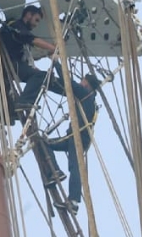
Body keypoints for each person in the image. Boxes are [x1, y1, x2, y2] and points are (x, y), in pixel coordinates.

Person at [45, 71, 101, 215]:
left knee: (43, 143)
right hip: (78, 137)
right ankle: (72, 198)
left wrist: (57, 63)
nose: (81, 82)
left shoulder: (84, 93)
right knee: (73, 165)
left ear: (86, 83)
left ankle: (57, 176)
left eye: (82, 80)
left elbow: (67, 82)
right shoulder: (91, 99)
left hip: (77, 136)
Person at [0, 5, 63, 114]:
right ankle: (25, 101)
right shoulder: (16, 25)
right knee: (41, 75)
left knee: (42, 76)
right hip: (9, 63)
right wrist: (55, 48)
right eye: (36, 20)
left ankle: (12, 113)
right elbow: (32, 39)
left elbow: (26, 53)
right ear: (28, 15)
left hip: (13, 65)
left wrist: (33, 68)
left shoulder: (19, 31)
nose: (36, 24)